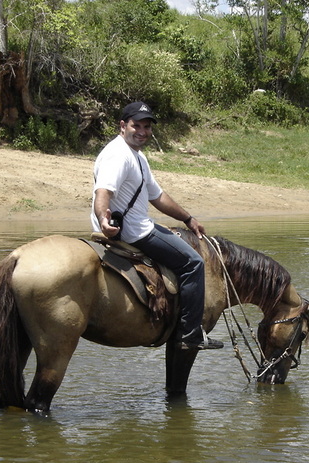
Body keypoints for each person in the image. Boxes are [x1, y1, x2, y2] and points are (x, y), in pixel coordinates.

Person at [91, 101, 223, 351]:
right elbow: (103, 191)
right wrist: (103, 220)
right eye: (136, 125)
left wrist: (188, 219)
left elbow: (158, 197)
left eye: (147, 127)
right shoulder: (118, 155)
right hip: (134, 231)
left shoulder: (137, 156)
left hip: (137, 224)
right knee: (193, 263)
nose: (142, 131)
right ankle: (190, 334)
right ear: (122, 126)